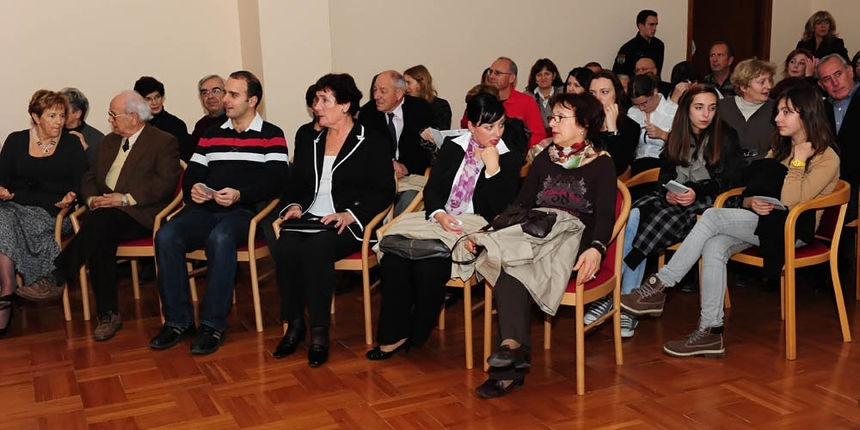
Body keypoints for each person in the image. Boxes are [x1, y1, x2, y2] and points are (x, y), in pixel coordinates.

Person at [621, 83, 840, 357]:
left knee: (711, 216)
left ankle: (659, 285)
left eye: (786, 112)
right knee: (714, 246)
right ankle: (711, 332)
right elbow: (753, 191)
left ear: (806, 115)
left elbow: (792, 201)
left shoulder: (826, 157)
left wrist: (798, 162)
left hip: (792, 230)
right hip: (764, 222)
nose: (777, 118)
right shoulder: (781, 149)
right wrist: (751, 201)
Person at [474, 93, 616, 398]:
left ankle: (510, 363)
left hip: (573, 240)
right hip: (537, 233)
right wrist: (493, 229)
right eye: (551, 117)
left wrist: (597, 248)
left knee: (516, 264)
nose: (551, 122)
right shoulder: (544, 157)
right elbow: (523, 203)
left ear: (583, 125)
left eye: (559, 118)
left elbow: (605, 215)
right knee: (508, 260)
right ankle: (512, 351)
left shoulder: (601, 164)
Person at [368, 93, 522, 360]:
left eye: (501, 125)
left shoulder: (508, 155)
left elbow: (495, 210)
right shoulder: (455, 147)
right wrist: (439, 214)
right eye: (488, 126)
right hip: (440, 219)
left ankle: (416, 333)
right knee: (394, 259)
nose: (496, 132)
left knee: (430, 264)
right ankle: (393, 335)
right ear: (471, 126)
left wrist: (492, 171)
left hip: (478, 223)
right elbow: (433, 189)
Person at [17, 90, 180, 341]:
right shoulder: (108, 142)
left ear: (134, 117)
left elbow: (165, 183)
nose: (110, 120)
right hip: (105, 214)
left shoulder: (163, 141)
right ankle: (108, 315)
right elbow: (90, 177)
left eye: (114, 115)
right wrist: (92, 199)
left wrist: (124, 198)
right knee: (100, 231)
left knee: (100, 224)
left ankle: (59, 276)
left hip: (141, 214)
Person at [586, 85, 744, 336]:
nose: (706, 114)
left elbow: (731, 180)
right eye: (699, 107)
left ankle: (616, 299)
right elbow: (665, 174)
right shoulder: (677, 134)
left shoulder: (726, 136)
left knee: (662, 216)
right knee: (635, 211)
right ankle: (621, 295)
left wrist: (695, 192)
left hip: (711, 202)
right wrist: (668, 192)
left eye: (712, 108)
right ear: (687, 109)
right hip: (678, 196)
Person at [150, 71, 288, 355]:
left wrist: (240, 194)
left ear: (252, 100)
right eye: (225, 93)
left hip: (245, 212)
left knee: (221, 238)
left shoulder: (271, 135)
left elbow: (277, 180)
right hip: (205, 209)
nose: (225, 99)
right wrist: (196, 188)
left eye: (233, 94)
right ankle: (178, 321)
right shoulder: (211, 135)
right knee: (166, 235)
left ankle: (213, 325)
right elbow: (192, 176)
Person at [273, 73, 395, 367]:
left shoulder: (372, 141)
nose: (317, 106)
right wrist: (293, 206)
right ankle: (294, 325)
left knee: (316, 248)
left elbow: (384, 190)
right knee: (286, 245)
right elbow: (296, 184)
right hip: (310, 217)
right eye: (316, 99)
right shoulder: (309, 138)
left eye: (324, 99)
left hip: (347, 223)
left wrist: (350, 215)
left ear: (345, 105)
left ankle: (318, 331)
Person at [0, 90, 87, 335]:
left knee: (4, 221)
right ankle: (7, 287)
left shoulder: (71, 143)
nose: (59, 121)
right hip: (14, 207)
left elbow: (81, 183)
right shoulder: (16, 140)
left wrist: (72, 196)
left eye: (62, 115)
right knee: (3, 217)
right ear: (36, 117)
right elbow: (1, 179)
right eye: (52, 115)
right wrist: (2, 190)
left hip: (55, 213)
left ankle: (4, 292)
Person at [359, 70, 434, 215]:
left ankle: (392, 234)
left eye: (383, 91)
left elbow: (429, 151)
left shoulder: (420, 109)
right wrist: (387, 163)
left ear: (399, 93)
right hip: (379, 177)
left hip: (412, 177)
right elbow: (364, 150)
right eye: (375, 90)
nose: (376, 96)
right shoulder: (368, 113)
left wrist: (407, 168)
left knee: (409, 200)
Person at [817, 54, 859, 219]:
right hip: (828, 183)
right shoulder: (820, 110)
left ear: (850, 71)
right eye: (827, 79)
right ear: (821, 85)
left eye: (838, 74)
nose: (835, 83)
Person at [718, 58, 776, 164]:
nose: (769, 86)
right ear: (743, 87)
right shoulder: (721, 107)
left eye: (770, 80)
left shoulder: (777, 109)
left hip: (763, 171)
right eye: (762, 82)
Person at [485, 57, 547, 147]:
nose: (491, 76)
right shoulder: (484, 100)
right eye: (490, 72)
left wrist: (526, 157)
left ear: (511, 78)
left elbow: (538, 136)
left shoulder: (526, 102)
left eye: (497, 73)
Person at [589, 70, 638, 175]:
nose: (597, 98)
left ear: (616, 94)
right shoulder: (584, 121)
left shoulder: (630, 126)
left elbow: (617, 167)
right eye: (592, 93)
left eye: (604, 92)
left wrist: (612, 129)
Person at [627, 74, 678, 174]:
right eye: (636, 105)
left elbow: (685, 145)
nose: (641, 108)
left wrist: (663, 135)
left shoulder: (674, 111)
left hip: (664, 165)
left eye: (644, 103)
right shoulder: (632, 112)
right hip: (637, 164)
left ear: (655, 92)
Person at [133, 76, 190, 149]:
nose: (154, 102)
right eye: (148, 99)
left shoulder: (177, 125)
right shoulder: (133, 124)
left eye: (157, 97)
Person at [612, 9, 664, 78]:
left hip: (655, 85)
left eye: (656, 25)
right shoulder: (627, 48)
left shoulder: (659, 45)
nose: (654, 28)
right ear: (640, 26)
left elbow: (658, 71)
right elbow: (619, 73)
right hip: (635, 86)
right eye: (651, 25)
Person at [60, 87, 104, 166]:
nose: (59, 112)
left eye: (63, 109)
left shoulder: (97, 138)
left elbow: (101, 169)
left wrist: (86, 150)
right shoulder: (52, 132)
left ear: (77, 114)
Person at [188, 74, 227, 161]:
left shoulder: (235, 121)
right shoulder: (200, 125)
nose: (210, 96)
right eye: (205, 92)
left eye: (216, 91)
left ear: (226, 93)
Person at [404, 65, 452, 130]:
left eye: (408, 83)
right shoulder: (403, 106)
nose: (405, 87)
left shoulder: (440, 105)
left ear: (422, 83)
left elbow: (441, 131)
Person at [526, 58, 565, 132]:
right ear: (535, 78)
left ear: (554, 76)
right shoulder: (527, 97)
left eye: (547, 74)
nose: (543, 78)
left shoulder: (563, 94)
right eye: (539, 75)